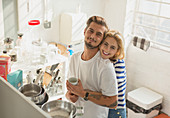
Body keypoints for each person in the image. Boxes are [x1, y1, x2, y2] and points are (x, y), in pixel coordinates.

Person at [66, 16, 118, 118]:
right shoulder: (74, 58)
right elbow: (70, 92)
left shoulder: (105, 66)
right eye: (91, 31)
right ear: (85, 31)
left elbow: (113, 102)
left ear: (102, 39)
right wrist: (70, 96)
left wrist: (83, 94)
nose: (93, 36)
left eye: (98, 34)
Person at [99, 30, 126, 118]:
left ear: (117, 51)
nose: (107, 49)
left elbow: (110, 89)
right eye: (105, 44)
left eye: (112, 47)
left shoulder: (118, 64)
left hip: (116, 110)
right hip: (107, 107)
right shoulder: (105, 60)